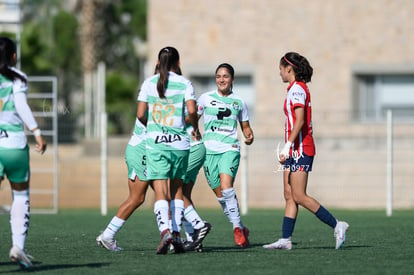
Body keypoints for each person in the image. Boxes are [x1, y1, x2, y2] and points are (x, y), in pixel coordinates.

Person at [263, 52, 349, 250]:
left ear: (289, 69)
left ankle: (337, 225)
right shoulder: (293, 89)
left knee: (299, 195)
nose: (279, 73)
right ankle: (285, 239)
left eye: (281, 69)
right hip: (294, 148)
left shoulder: (297, 90)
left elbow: (300, 121)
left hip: (301, 148)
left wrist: (286, 146)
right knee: (289, 194)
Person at [137, 46, 198, 254]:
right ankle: (178, 235)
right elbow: (191, 111)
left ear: (158, 62)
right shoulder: (185, 83)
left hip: (156, 142)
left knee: (161, 190)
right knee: (177, 191)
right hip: (180, 143)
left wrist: (153, 126)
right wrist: (194, 127)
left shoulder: (148, 83)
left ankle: (165, 233)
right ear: (178, 63)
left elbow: (140, 114)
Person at [0, 36, 47, 269]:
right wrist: (37, 132)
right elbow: (21, 106)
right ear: (14, 57)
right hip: (14, 146)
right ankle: (18, 246)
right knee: (20, 196)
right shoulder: (18, 78)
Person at [197, 63, 254, 248]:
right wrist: (193, 133)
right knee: (220, 195)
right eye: (219, 76)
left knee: (226, 186)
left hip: (230, 149)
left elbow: (246, 128)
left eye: (225, 76)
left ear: (232, 80)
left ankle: (237, 228)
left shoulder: (239, 102)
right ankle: (242, 228)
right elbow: (191, 119)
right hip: (208, 152)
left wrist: (249, 136)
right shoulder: (205, 99)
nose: (222, 79)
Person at [96, 109, 151, 251]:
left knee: (168, 195)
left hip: (150, 151)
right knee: (137, 198)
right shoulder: (150, 97)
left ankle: (176, 236)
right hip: (141, 152)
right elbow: (143, 116)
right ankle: (108, 235)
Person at [180, 122, 211, 252]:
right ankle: (194, 240)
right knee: (184, 194)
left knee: (174, 192)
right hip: (195, 147)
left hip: (190, 148)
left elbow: (192, 112)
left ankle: (199, 225)